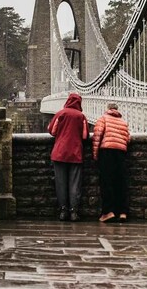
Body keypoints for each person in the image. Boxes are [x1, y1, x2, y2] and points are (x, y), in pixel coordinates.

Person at [47, 92, 89, 221]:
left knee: (60, 183)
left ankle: (63, 211)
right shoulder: (81, 116)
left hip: (59, 153)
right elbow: (85, 136)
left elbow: (51, 131)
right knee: (74, 184)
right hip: (75, 153)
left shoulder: (60, 114)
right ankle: (74, 212)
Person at [92, 102, 130, 223]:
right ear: (117, 110)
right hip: (121, 153)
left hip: (107, 152)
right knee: (120, 182)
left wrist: (95, 154)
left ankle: (108, 212)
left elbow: (97, 137)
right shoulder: (123, 122)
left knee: (106, 182)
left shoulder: (103, 119)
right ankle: (122, 212)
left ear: (108, 109)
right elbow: (127, 138)